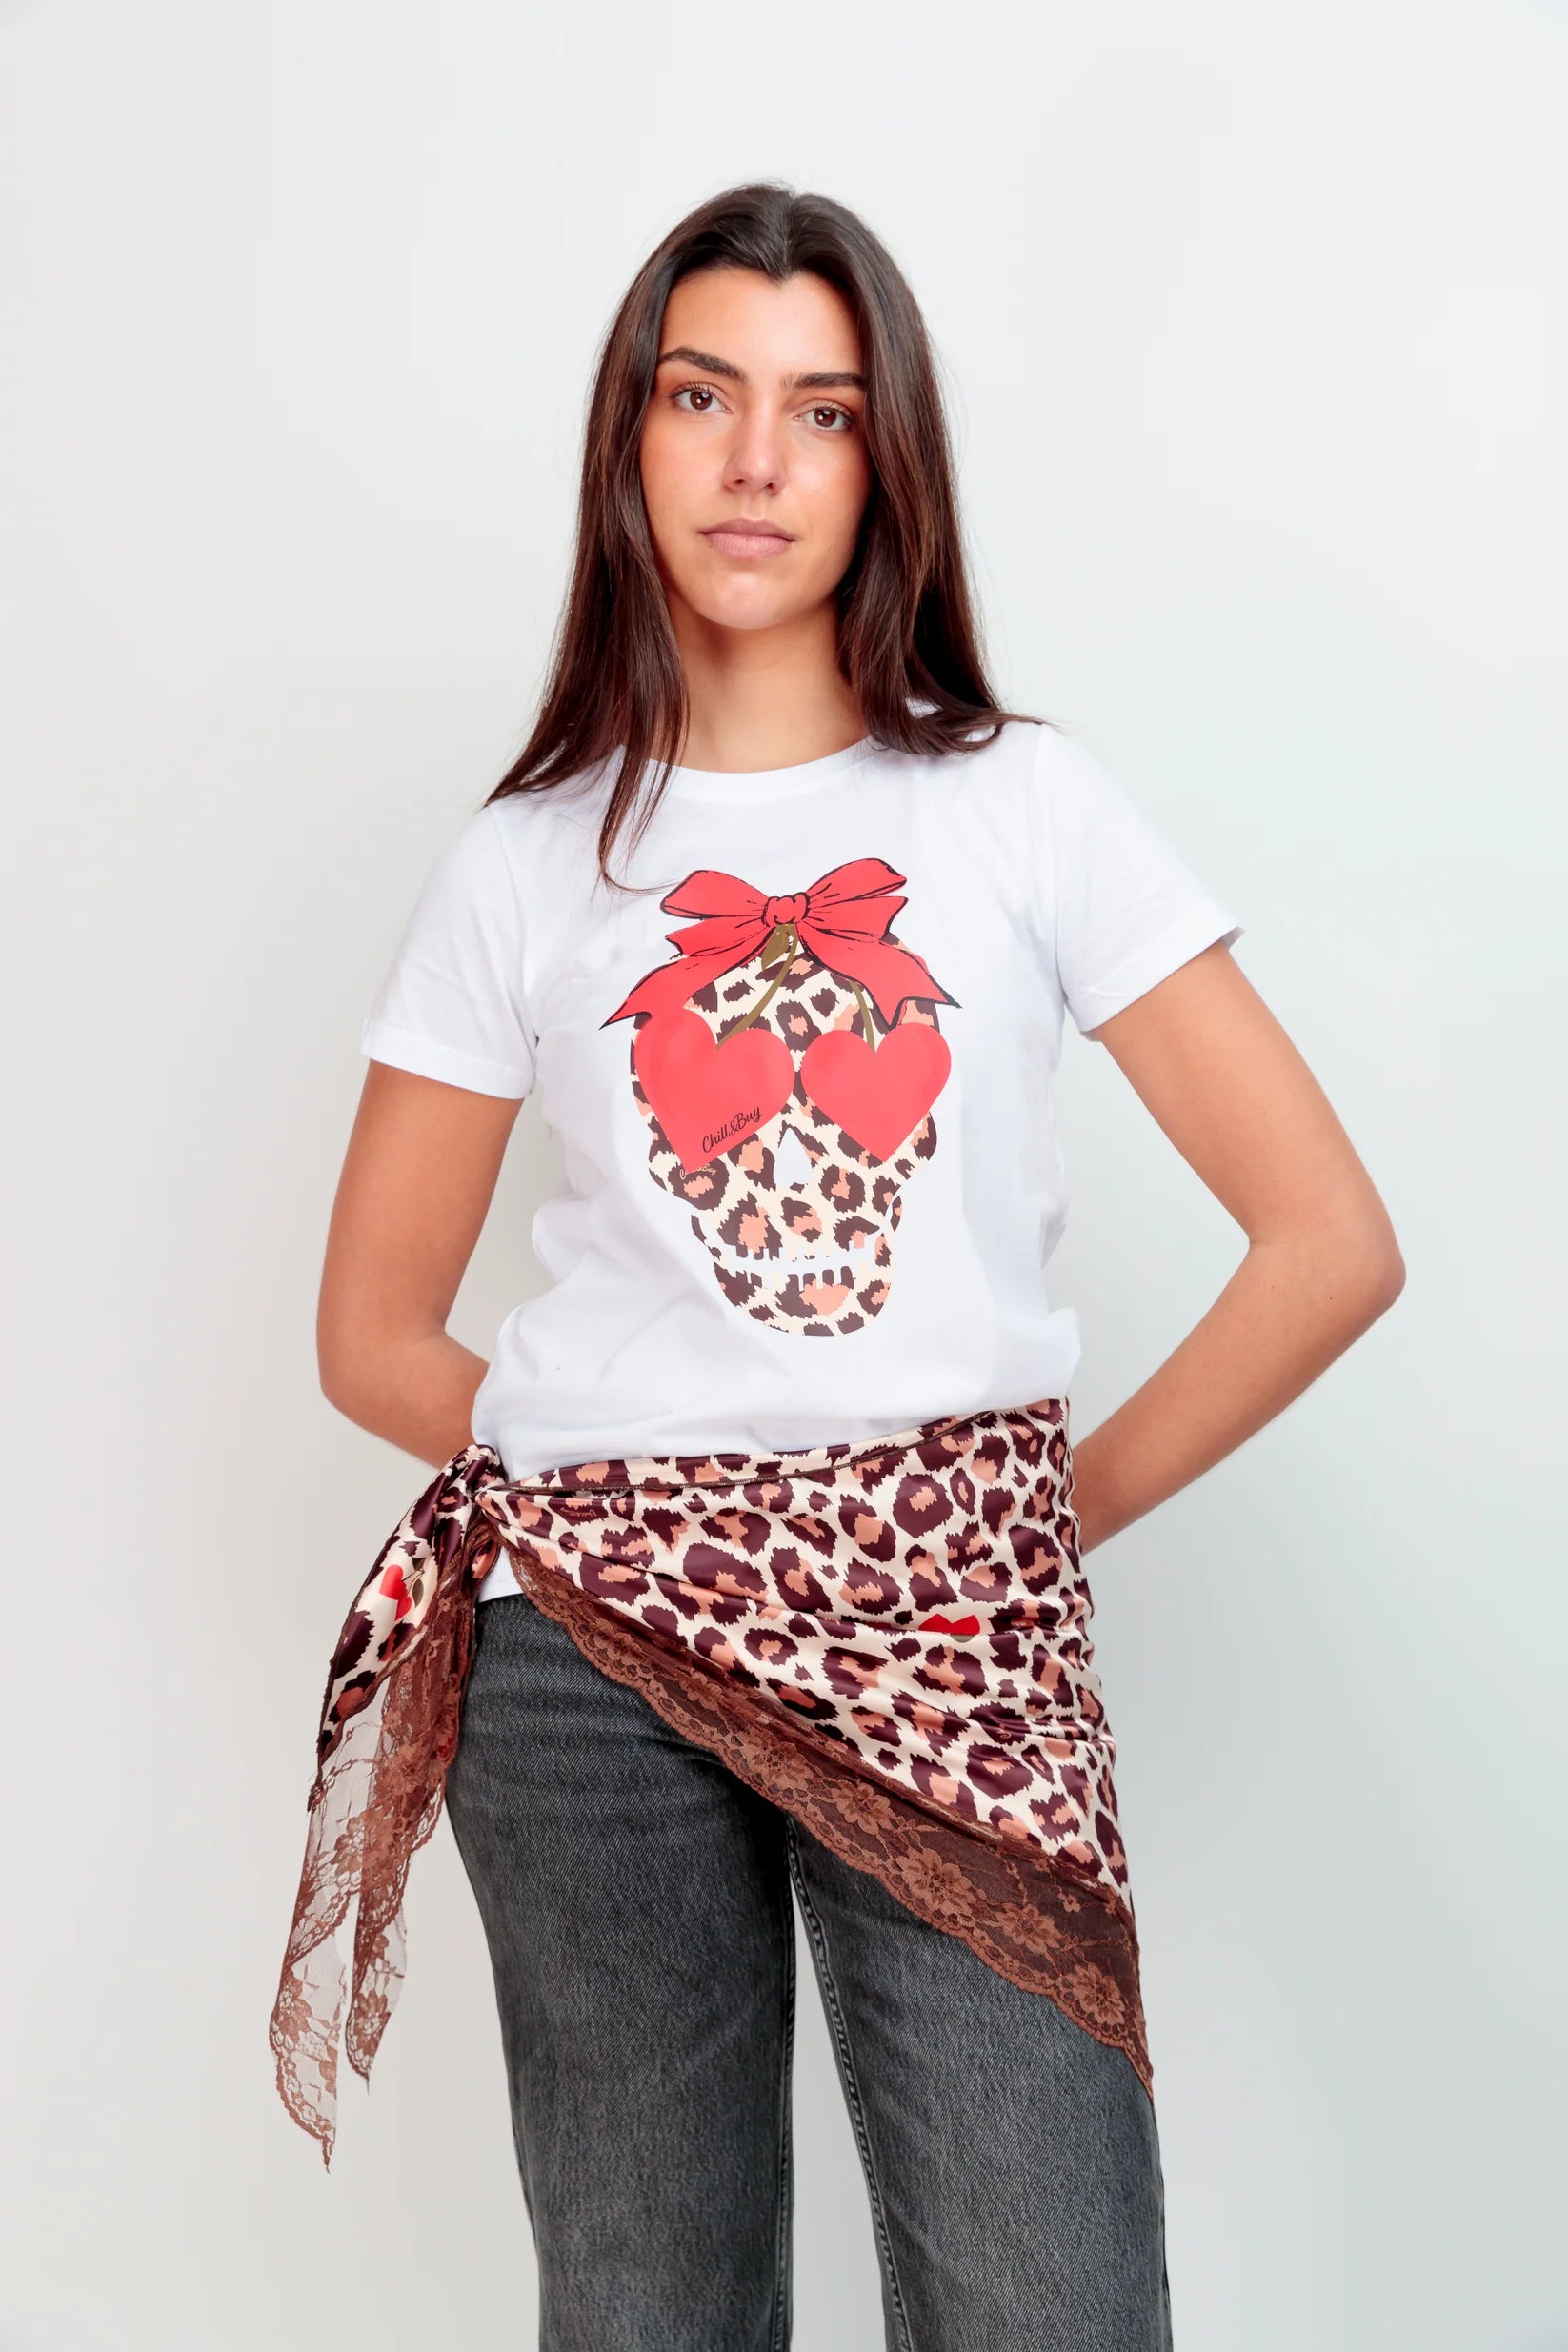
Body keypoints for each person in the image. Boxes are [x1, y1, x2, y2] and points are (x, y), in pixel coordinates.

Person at [270, 182, 1404, 2351]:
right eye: (702, 396)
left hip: (952, 1618)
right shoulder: (527, 859)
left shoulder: (1024, 808)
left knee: (1049, 2297)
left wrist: (1027, 1511)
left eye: (822, 410)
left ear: (889, 465)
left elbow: (1328, 1239)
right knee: (648, 2304)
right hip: (589, 1656)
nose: (755, 460)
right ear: (630, 437)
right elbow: (368, 1328)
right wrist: (633, 1482)